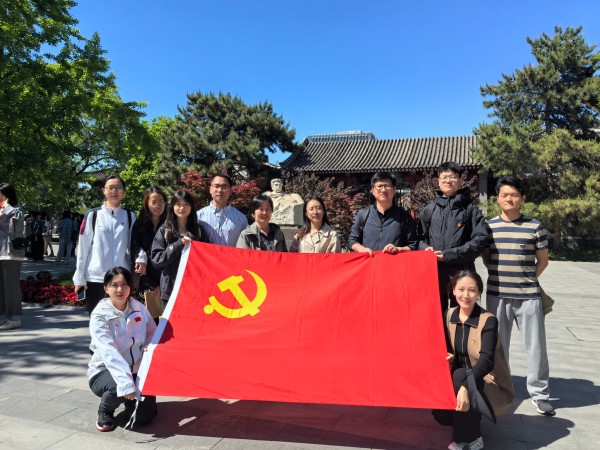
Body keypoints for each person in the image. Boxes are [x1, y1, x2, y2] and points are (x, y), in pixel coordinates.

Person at [482, 175, 554, 416]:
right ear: (497, 199)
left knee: (536, 347)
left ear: (522, 198)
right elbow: (487, 258)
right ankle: (500, 388)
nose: (509, 199)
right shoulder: (489, 227)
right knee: (498, 346)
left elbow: (542, 261)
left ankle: (540, 394)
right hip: (496, 295)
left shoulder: (535, 226)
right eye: (504, 195)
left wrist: (527, 279)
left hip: (528, 297)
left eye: (514, 194)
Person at [88, 267, 157, 432]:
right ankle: (105, 410)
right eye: (114, 285)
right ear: (106, 288)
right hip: (105, 370)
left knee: (144, 418)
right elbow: (108, 351)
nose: (120, 289)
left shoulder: (139, 307)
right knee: (117, 388)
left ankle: (130, 401)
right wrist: (125, 383)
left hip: (136, 368)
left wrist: (147, 347)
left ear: (130, 287)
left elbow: (152, 332)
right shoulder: (99, 315)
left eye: (125, 284)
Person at [418, 162, 488, 314]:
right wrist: (425, 249)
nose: (448, 180)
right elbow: (418, 239)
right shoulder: (428, 211)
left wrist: (449, 255)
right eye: (444, 177)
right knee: (437, 316)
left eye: (452, 177)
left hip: (462, 273)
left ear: (460, 180)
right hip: (435, 273)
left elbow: (480, 239)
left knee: (462, 316)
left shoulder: (471, 210)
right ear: (438, 181)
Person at [443, 270, 498, 450]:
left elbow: (486, 361)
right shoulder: (448, 315)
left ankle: (472, 438)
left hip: (483, 376)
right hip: (457, 375)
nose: (466, 295)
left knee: (460, 377)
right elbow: (445, 348)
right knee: (440, 414)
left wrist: (466, 387)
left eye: (472, 290)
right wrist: (449, 355)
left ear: (479, 292)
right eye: (461, 289)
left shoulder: (488, 320)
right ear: (453, 291)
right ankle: (466, 420)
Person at [74, 175, 141, 315]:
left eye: (118, 188)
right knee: (97, 320)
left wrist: (142, 258)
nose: (114, 191)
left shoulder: (130, 216)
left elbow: (135, 244)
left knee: (120, 319)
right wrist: (79, 276)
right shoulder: (92, 215)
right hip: (95, 278)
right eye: (110, 188)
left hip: (121, 278)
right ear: (104, 190)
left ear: (123, 191)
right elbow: (83, 248)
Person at [151, 190, 207, 309]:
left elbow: (207, 258)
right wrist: (178, 244)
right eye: (178, 204)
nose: (182, 208)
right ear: (172, 206)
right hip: (170, 290)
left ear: (191, 207)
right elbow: (157, 260)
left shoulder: (199, 230)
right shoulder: (164, 230)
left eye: (186, 204)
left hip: (194, 290)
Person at [348, 171, 418, 256]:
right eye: (379, 186)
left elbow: (413, 245)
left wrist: (398, 249)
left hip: (394, 263)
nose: (383, 190)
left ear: (394, 189)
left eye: (387, 186)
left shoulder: (404, 216)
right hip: (370, 262)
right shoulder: (363, 215)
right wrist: (361, 249)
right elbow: (352, 240)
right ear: (372, 190)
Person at [131, 187, 167, 322]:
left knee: (169, 322)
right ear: (147, 203)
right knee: (151, 321)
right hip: (147, 280)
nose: (158, 205)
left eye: (161, 201)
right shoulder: (139, 225)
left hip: (167, 279)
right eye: (154, 202)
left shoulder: (170, 223)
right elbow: (135, 253)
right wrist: (152, 284)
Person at [0, 184, 26, 331]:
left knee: (10, 286)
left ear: (6, 195)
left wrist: (4, 212)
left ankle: (14, 318)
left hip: (11, 253)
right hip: (1, 252)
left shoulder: (16, 210)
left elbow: (15, 231)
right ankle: (3, 316)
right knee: (2, 286)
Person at [196, 174, 248, 246]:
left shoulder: (241, 219)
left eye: (224, 187)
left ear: (230, 191)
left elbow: (246, 245)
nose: (220, 190)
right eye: (216, 186)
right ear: (210, 189)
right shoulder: (199, 216)